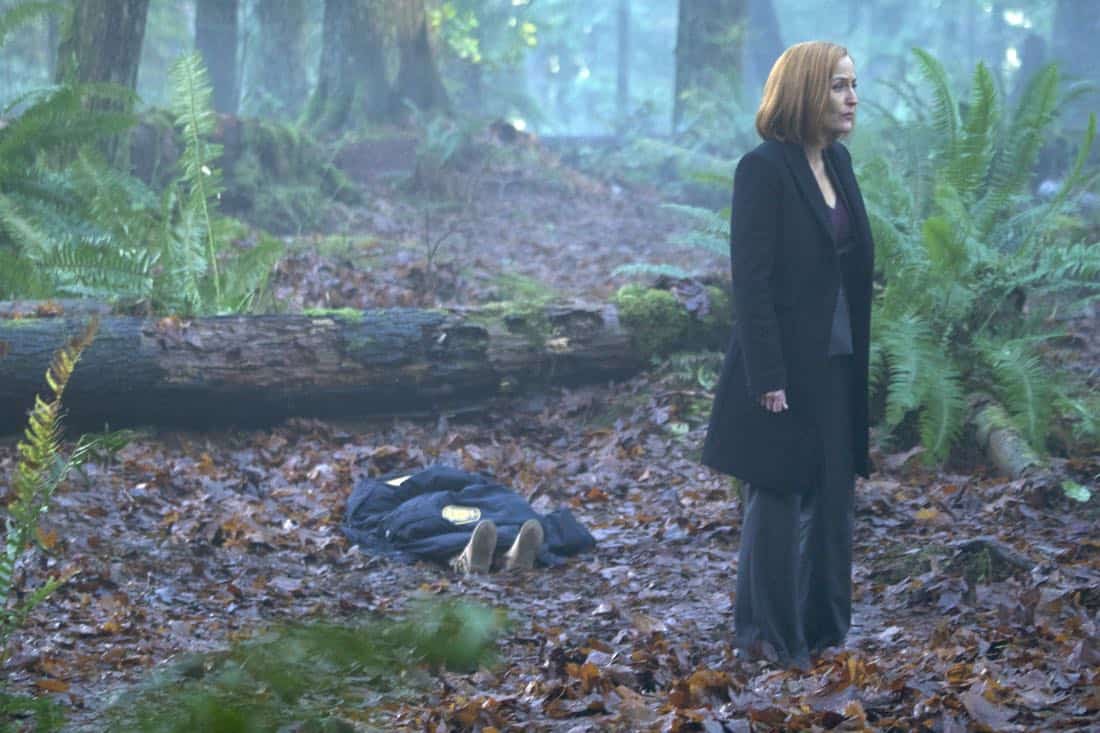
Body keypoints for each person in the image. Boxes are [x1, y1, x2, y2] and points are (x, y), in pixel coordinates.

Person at [701, 41, 874, 669]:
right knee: (776, 495)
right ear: (804, 91)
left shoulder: (840, 163)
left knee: (833, 496)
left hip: (837, 358)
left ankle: (824, 631)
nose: (852, 99)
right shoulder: (763, 169)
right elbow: (751, 281)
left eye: (853, 85)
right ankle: (768, 637)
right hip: (780, 365)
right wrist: (767, 374)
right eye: (838, 86)